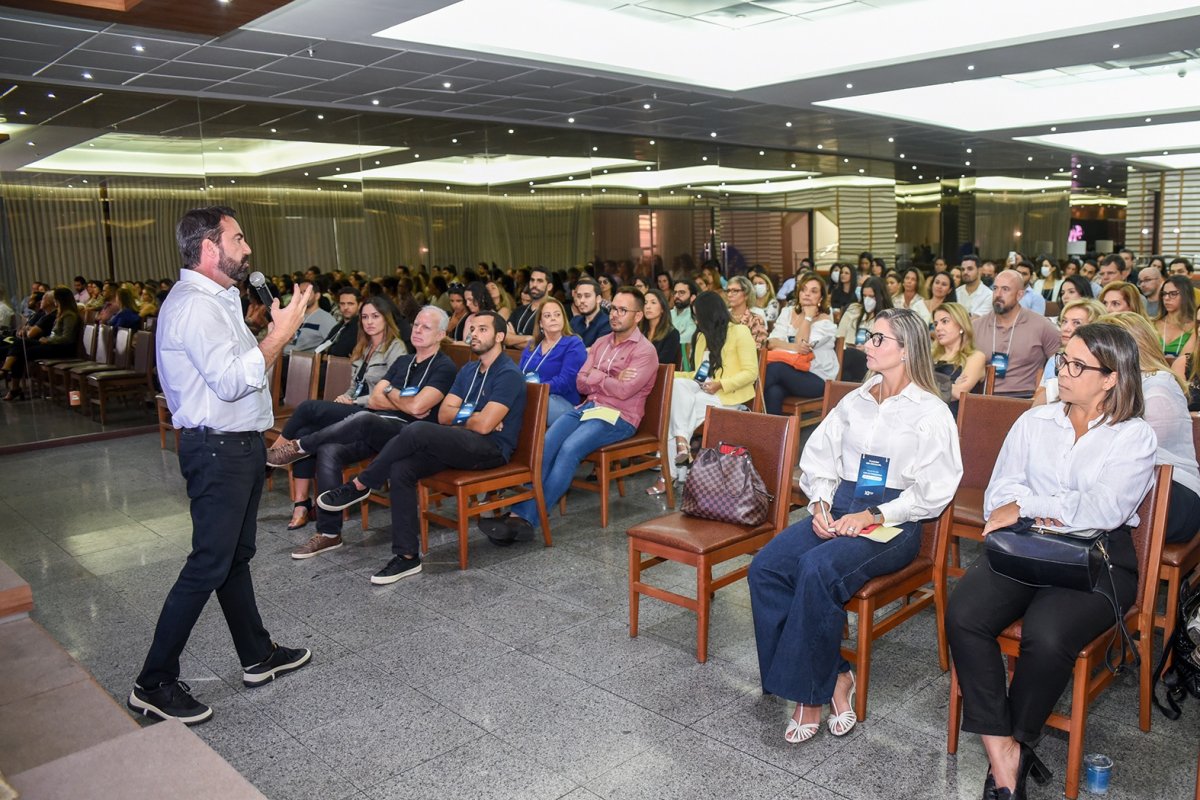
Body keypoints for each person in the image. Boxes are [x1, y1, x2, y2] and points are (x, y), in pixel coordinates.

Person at [945, 322, 1155, 800]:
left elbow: (1107, 510)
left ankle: (1016, 744)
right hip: (1028, 546)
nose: (1063, 370)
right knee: (964, 614)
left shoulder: (1133, 436)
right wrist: (1041, 507)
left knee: (1048, 633)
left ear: (1111, 378)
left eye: (1078, 365)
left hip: (1097, 558)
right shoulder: (1035, 421)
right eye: (1065, 359)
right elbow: (1001, 491)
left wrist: (1032, 504)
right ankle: (1006, 753)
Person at [129, 207, 315, 726]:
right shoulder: (194, 307)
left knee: (233, 556)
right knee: (208, 563)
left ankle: (257, 655)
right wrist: (281, 334)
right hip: (217, 451)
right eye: (238, 238)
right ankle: (154, 680)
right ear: (210, 247)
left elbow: (245, 373)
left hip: (239, 446)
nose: (248, 248)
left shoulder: (223, 299)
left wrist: (272, 336)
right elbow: (233, 383)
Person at [749, 308, 962, 745]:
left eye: (879, 339)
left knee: (817, 569)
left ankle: (810, 695)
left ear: (906, 350)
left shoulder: (930, 411)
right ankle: (837, 672)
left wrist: (876, 515)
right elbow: (820, 456)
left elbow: (935, 489)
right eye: (869, 336)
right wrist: (821, 503)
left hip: (894, 520)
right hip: (843, 501)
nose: (867, 344)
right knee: (767, 567)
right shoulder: (856, 400)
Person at [316, 310, 526, 582]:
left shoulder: (508, 373)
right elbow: (444, 415)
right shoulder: (469, 370)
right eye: (472, 329)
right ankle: (406, 557)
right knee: (402, 468)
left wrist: (470, 417)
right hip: (461, 442)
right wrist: (474, 416)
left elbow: (485, 428)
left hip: (491, 450)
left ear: (500, 336)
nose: (474, 334)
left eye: (483, 329)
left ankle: (361, 484)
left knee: (417, 428)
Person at [268, 306, 458, 559]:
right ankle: (329, 533)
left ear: (440, 335)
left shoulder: (444, 367)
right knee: (329, 450)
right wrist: (397, 398)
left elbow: (418, 408)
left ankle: (300, 446)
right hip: (377, 425)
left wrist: (391, 394)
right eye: (416, 325)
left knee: (363, 418)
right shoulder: (403, 362)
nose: (418, 331)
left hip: (408, 435)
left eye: (426, 327)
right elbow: (376, 400)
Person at [481, 288, 657, 545]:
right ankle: (520, 512)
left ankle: (525, 517)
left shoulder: (645, 351)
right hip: (589, 408)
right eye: (613, 309)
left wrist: (596, 376)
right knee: (548, 443)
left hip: (620, 416)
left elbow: (624, 391)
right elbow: (581, 383)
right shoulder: (601, 343)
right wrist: (605, 378)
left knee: (570, 449)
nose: (615, 315)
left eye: (623, 310)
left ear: (638, 315)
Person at [269, 296, 406, 530]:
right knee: (304, 429)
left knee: (307, 407)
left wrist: (353, 400)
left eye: (375, 316)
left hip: (372, 414)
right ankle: (301, 505)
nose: (369, 322)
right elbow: (356, 384)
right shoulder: (363, 346)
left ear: (386, 318)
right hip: (353, 406)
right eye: (365, 317)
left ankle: (272, 457)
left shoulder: (396, 348)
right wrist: (346, 396)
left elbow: (389, 393)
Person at [1101, 312, 1200, 544]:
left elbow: (1132, 453)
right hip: (1138, 484)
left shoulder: (1159, 390)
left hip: (1174, 494)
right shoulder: (1120, 382)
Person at [649, 291, 757, 495]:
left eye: (698, 315)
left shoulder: (740, 332)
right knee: (677, 387)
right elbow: (698, 374)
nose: (696, 320)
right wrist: (668, 375)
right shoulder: (700, 337)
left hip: (726, 396)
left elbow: (751, 373)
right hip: (702, 390)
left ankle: (669, 473)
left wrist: (721, 384)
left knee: (673, 413)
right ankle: (682, 441)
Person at [972, 271, 1060, 398]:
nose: (998, 294)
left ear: (1020, 295)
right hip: (982, 396)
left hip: (1025, 398)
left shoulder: (1041, 325)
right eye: (995, 288)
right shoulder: (977, 326)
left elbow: (1058, 364)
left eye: (1005, 289)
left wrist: (1042, 396)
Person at [762, 271, 839, 415]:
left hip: (817, 378)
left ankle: (745, 400)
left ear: (821, 297)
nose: (807, 294)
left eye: (813, 291)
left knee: (777, 368)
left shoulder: (825, 321)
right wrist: (793, 347)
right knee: (773, 392)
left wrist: (808, 317)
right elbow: (771, 343)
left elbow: (802, 346)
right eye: (803, 290)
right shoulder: (787, 312)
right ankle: (772, 436)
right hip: (790, 374)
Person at [3, 287, 80, 401]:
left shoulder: (69, 315)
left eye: (56, 299)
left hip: (62, 348)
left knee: (20, 351)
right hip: (53, 344)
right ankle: (10, 379)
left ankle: (9, 379)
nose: (54, 302)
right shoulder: (61, 313)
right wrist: (48, 339)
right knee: (20, 346)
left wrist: (48, 340)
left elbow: (67, 338)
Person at [519, 297, 587, 426]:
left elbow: (565, 382)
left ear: (563, 318)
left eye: (557, 314)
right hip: (532, 396)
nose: (553, 318)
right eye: (547, 315)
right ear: (540, 323)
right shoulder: (532, 345)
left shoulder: (574, 344)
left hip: (560, 402)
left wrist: (536, 390)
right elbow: (519, 373)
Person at [1032, 299, 1106, 406]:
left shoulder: (1104, 362)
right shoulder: (1055, 359)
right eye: (1064, 321)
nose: (1066, 328)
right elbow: (1039, 398)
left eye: (1076, 323)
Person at [931, 302, 986, 418]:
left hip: (953, 419)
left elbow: (959, 393)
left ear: (961, 325)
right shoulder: (929, 356)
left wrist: (925, 383)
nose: (938, 328)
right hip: (926, 414)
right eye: (935, 324)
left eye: (945, 321)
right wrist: (950, 385)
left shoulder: (975, 357)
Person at [837, 276, 892, 383]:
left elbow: (889, 346)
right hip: (848, 358)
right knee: (847, 371)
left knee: (850, 354)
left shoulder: (888, 317)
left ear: (881, 296)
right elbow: (839, 338)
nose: (867, 300)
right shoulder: (854, 310)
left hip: (873, 361)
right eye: (864, 296)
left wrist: (867, 349)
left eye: (871, 296)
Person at [284, 279, 336, 353]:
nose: (302, 296)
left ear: (317, 296)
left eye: (306, 292)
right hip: (282, 356)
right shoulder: (292, 316)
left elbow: (332, 344)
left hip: (304, 360)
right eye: (300, 293)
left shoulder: (326, 319)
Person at [1153, 275, 1195, 357]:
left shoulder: (1195, 328)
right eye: (1164, 294)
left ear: (1186, 295)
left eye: (1173, 293)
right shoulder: (1152, 324)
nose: (1166, 298)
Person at [508, 266, 551, 347]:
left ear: (549, 287)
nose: (534, 284)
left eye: (539, 281)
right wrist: (529, 338)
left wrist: (514, 340)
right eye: (532, 280)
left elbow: (543, 345)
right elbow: (505, 338)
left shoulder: (553, 312)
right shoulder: (518, 310)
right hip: (513, 357)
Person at [316, 287, 362, 357]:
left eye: (350, 304)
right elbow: (319, 350)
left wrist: (328, 352)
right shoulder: (338, 327)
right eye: (342, 304)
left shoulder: (360, 327)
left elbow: (340, 351)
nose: (346, 307)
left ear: (359, 305)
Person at [640, 288, 681, 367]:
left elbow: (663, 362)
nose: (648, 306)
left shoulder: (672, 334)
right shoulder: (639, 332)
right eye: (645, 303)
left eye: (653, 303)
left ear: (662, 308)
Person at [726, 275, 768, 349]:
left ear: (746, 295)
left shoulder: (756, 320)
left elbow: (758, 348)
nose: (729, 295)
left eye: (735, 291)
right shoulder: (722, 317)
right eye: (728, 291)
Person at [570, 278, 611, 347]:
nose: (582, 300)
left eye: (587, 296)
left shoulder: (607, 323)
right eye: (579, 296)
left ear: (598, 299)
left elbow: (597, 351)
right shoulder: (574, 321)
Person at [670, 278, 699, 369]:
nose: (677, 296)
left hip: (686, 363)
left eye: (682, 293)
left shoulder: (696, 317)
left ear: (692, 297)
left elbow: (686, 339)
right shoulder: (668, 314)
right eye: (675, 292)